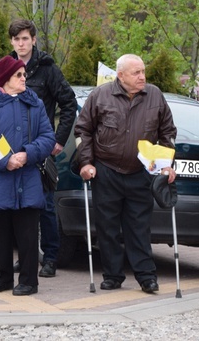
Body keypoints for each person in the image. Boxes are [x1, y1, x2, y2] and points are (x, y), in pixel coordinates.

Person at [74, 54, 177, 294]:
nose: (142, 77)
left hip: (140, 172)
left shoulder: (154, 95)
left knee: (139, 227)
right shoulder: (100, 96)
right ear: (121, 75)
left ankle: (146, 276)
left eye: (143, 71)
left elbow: (168, 132)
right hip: (106, 170)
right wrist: (86, 163)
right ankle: (112, 274)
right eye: (136, 73)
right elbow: (83, 131)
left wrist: (167, 163)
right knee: (107, 227)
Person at [0, 56, 55, 296]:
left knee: (28, 234)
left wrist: (27, 155)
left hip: (27, 179)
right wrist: (5, 160)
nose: (24, 78)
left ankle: (29, 281)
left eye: (24, 74)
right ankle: (4, 277)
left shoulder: (35, 103)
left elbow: (48, 137)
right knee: (2, 234)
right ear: (5, 79)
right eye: (18, 75)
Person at [8, 19, 77, 278]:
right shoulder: (8, 67)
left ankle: (50, 257)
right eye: (16, 39)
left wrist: (58, 140)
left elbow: (68, 103)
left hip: (41, 149)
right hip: (14, 149)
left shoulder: (47, 68)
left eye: (25, 38)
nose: (21, 43)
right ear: (11, 42)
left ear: (34, 40)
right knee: (17, 206)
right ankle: (24, 256)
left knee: (45, 206)